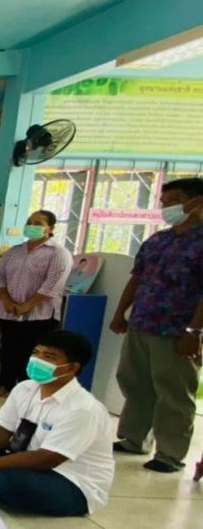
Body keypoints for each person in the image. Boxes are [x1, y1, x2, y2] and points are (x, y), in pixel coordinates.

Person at [0, 330, 113, 517]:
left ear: (71, 368)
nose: (37, 360)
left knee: (8, 480)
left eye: (48, 357)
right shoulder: (24, 388)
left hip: (69, 480)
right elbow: (1, 429)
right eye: (36, 353)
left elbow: (47, 459)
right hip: (23, 458)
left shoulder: (83, 408)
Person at [111, 178, 203, 473]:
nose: (166, 207)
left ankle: (169, 453)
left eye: (173, 201)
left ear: (196, 202)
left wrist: (194, 331)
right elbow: (137, 278)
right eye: (163, 202)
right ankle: (134, 438)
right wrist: (120, 312)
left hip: (177, 330)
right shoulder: (157, 240)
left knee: (173, 391)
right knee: (134, 381)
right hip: (142, 322)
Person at [0, 210, 72, 394]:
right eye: (29, 222)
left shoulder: (58, 253)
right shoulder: (14, 251)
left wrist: (26, 306)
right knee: (9, 350)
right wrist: (6, 300)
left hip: (40, 315)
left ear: (50, 228)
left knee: (35, 354)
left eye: (38, 223)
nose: (31, 226)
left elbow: (53, 284)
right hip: (9, 312)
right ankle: (5, 385)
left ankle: (29, 391)